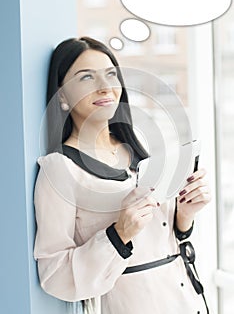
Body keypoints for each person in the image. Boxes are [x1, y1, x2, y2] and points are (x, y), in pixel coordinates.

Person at [33, 36, 211, 314]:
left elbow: (163, 239)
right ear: (63, 96)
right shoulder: (60, 168)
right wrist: (118, 235)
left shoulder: (138, 148)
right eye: (87, 77)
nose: (105, 87)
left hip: (186, 299)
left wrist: (185, 215)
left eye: (110, 75)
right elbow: (53, 275)